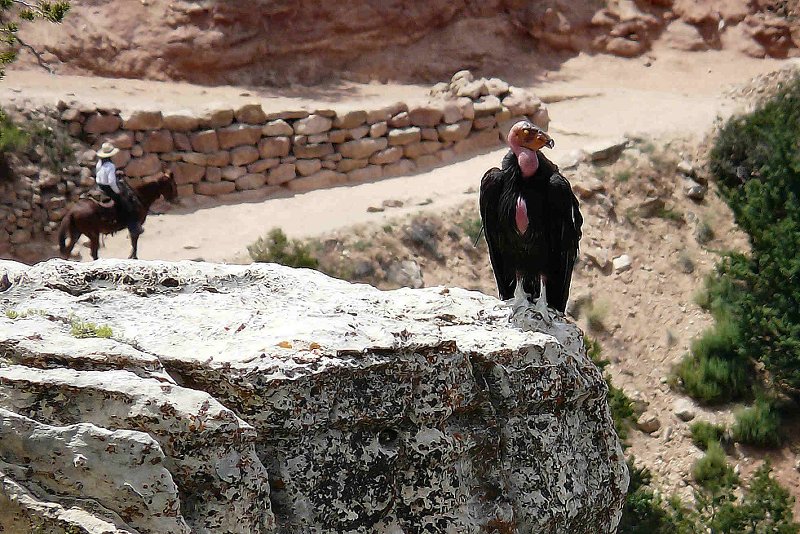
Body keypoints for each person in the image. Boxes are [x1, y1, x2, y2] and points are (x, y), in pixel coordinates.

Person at [95, 142, 143, 235]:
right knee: (128, 205)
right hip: (108, 188)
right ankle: (133, 227)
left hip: (99, 186)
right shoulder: (110, 166)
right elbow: (111, 182)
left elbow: (100, 174)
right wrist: (118, 192)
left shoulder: (99, 163)